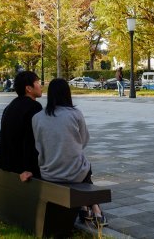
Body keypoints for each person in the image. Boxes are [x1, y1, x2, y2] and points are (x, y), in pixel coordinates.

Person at [32, 78, 108, 227]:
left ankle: (87, 208)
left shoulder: (37, 118)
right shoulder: (75, 114)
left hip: (49, 173)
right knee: (83, 165)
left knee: (80, 163)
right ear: (67, 93)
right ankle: (95, 209)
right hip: (75, 172)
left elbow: (38, 145)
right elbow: (84, 140)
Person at [0, 71, 43, 182]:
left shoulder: (11, 106)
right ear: (28, 88)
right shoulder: (34, 107)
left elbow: (4, 136)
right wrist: (29, 168)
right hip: (22, 167)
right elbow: (30, 139)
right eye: (37, 82)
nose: (41, 85)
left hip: (7, 162)